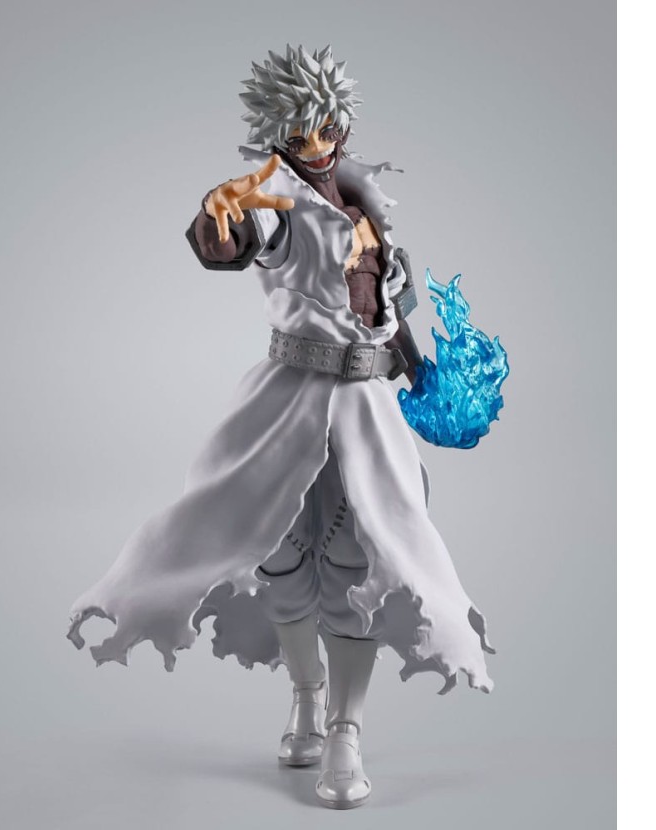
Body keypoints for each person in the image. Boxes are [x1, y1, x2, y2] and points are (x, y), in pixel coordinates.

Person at [68, 44, 494, 810]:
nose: (318, 142)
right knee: (282, 556)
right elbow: (230, 242)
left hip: (365, 407)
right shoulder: (273, 198)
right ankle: (305, 697)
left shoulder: (368, 206)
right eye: (301, 132)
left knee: (361, 561)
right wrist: (218, 218)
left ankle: (346, 729)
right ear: (279, 134)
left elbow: (385, 313)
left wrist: (418, 370)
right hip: (286, 400)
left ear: (343, 122)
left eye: (328, 125)